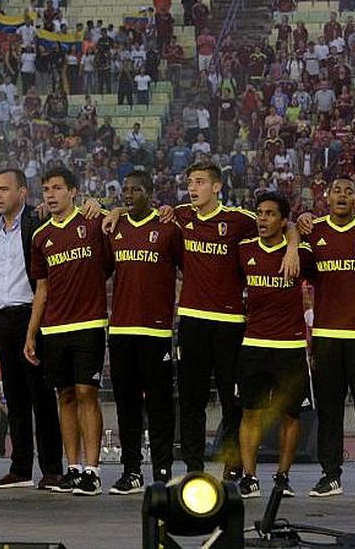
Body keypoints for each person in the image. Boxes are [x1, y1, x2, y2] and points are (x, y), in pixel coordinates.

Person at [106, 161, 299, 479]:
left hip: (229, 322)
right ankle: (194, 468)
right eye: (189, 182)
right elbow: (138, 212)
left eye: (199, 182)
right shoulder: (180, 216)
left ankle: (233, 467)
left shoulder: (238, 220)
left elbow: (284, 223)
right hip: (192, 321)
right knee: (191, 401)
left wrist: (292, 248)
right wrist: (115, 212)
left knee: (231, 401)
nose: (192, 188)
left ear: (217, 187)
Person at [26, 166, 113, 496]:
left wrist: (106, 206)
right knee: (64, 396)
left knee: (86, 393)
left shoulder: (93, 222)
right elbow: (42, 289)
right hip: (54, 327)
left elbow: (108, 263)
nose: (50, 194)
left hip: (89, 323)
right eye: (46, 188)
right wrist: (31, 333)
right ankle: (73, 468)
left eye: (57, 188)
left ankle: (93, 470)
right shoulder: (40, 236)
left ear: (73, 192)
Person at [306, 177, 355, 498]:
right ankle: (330, 474)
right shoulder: (315, 232)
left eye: (349, 191)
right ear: (327, 196)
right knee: (329, 411)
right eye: (336, 190)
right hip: (326, 336)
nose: (342, 196)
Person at [106, 169, 181, 493]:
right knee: (127, 404)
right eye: (125, 189)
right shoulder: (114, 227)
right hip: (121, 329)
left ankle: (162, 472)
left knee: (161, 405)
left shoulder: (167, 229)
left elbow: (186, 270)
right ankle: (131, 471)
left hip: (156, 331)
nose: (129, 194)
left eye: (136, 189)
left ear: (150, 193)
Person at [0, 169, 63, 490]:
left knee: (41, 397)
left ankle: (52, 468)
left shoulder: (37, 219)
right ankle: (20, 468)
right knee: (15, 399)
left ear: (22, 191)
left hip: (33, 316)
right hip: (3, 318)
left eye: (4, 189)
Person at [236, 192, 314, 499]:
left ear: (282, 221)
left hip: (291, 346)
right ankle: (249, 477)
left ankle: (283, 477)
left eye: (270, 214)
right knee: (250, 413)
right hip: (253, 344)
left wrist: (293, 242)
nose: (263, 219)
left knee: (290, 415)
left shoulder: (301, 254)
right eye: (260, 213)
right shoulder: (243, 250)